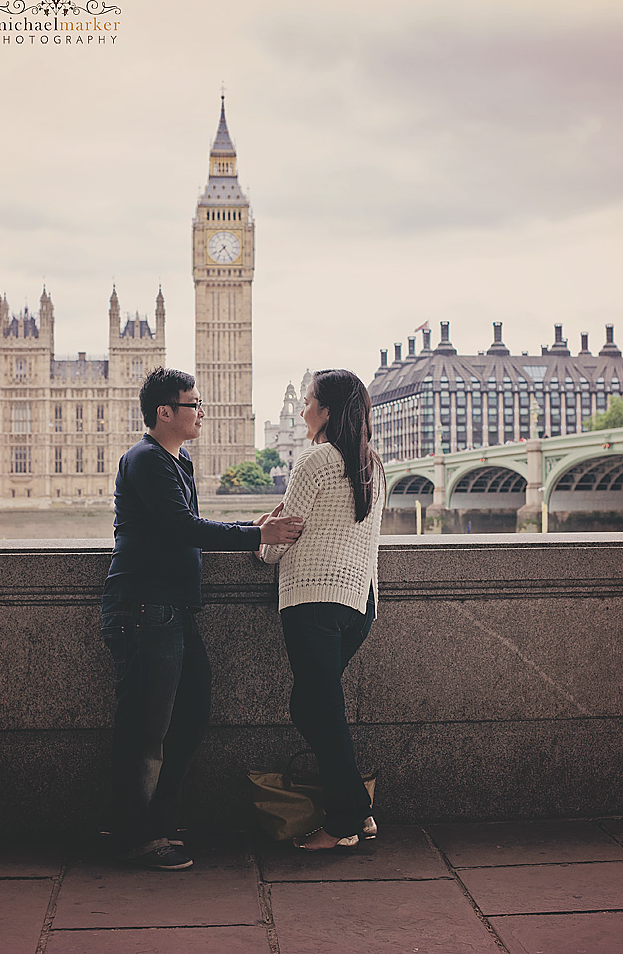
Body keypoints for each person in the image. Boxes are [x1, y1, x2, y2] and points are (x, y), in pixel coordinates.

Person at [101, 367, 303, 870]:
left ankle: (156, 819)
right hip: (146, 608)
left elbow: (190, 526)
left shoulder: (179, 460)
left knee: (191, 715)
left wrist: (248, 528)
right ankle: (137, 834)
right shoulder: (145, 459)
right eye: (192, 404)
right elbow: (181, 528)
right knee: (146, 729)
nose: (201, 411)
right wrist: (257, 536)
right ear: (164, 412)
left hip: (174, 610)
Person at [260, 369, 385, 851]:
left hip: (313, 601)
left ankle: (342, 824)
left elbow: (278, 545)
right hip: (359, 605)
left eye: (309, 401)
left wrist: (259, 541)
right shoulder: (374, 464)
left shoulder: (313, 460)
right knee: (311, 706)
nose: (303, 409)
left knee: (323, 712)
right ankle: (358, 808)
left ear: (327, 410)